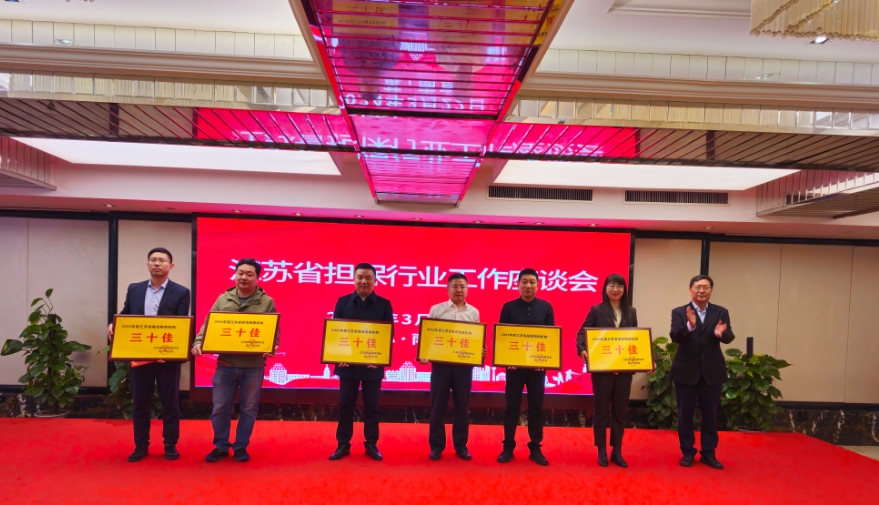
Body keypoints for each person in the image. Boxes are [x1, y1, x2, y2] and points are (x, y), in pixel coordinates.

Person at [191, 258, 278, 463]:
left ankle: (240, 446)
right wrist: (199, 341)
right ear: (235, 274)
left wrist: (272, 345)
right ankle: (221, 445)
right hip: (225, 365)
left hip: (253, 366)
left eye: (249, 274)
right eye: (240, 273)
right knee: (220, 407)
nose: (244, 277)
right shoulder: (223, 299)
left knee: (248, 408)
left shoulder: (266, 302)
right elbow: (208, 325)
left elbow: (274, 331)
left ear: (258, 277)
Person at [108, 247, 191, 463]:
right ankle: (141, 445)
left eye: (162, 260)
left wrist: (171, 353)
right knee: (140, 402)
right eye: (153, 260)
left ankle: (170, 444)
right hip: (140, 355)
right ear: (147, 265)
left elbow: (180, 325)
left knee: (170, 402)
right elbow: (126, 313)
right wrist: (114, 324)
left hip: (167, 358)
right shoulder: (135, 289)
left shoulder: (181, 292)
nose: (157, 263)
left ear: (170, 266)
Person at [329, 263, 394, 462]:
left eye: (368, 277)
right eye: (360, 277)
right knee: (345, 405)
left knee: (372, 406)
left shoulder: (384, 304)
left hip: (372, 365)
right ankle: (343, 444)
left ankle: (371, 444)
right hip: (347, 364)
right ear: (354, 279)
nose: (364, 281)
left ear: (375, 280)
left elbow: (389, 334)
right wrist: (338, 356)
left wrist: (379, 359)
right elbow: (336, 333)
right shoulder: (343, 302)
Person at [670, 274, 735, 470]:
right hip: (685, 371)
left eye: (706, 287)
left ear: (711, 291)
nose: (701, 291)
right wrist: (689, 325)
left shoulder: (720, 311)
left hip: (712, 372)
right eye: (698, 287)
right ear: (690, 290)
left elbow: (729, 337)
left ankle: (708, 453)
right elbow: (675, 336)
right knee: (685, 415)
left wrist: (721, 333)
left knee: (710, 415)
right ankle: (687, 452)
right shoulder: (680, 312)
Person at [575, 273, 638, 468]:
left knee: (620, 411)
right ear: (605, 288)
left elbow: (636, 338)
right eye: (612, 285)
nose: (615, 289)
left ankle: (616, 450)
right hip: (602, 369)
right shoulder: (597, 310)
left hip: (624, 370)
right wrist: (582, 349)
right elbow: (581, 333)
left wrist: (643, 360)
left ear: (624, 290)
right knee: (601, 410)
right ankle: (601, 449)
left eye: (619, 286)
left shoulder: (631, 312)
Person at [497, 268, 554, 466]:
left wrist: (544, 361)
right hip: (514, 368)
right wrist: (507, 360)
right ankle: (508, 447)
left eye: (532, 282)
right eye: (524, 282)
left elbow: (550, 338)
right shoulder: (508, 307)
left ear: (538, 285)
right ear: (518, 284)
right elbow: (502, 338)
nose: (528, 285)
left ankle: (535, 448)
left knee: (536, 408)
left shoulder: (546, 307)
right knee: (511, 407)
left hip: (537, 369)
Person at [422, 273, 480, 461]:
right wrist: (424, 353)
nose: (459, 290)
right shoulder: (437, 310)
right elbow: (429, 337)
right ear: (447, 289)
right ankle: (436, 446)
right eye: (455, 286)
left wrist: (479, 350)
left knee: (462, 407)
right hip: (441, 366)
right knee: (437, 406)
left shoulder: (473, 313)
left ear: (467, 289)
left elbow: (474, 339)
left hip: (463, 367)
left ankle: (461, 446)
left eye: (462, 286)